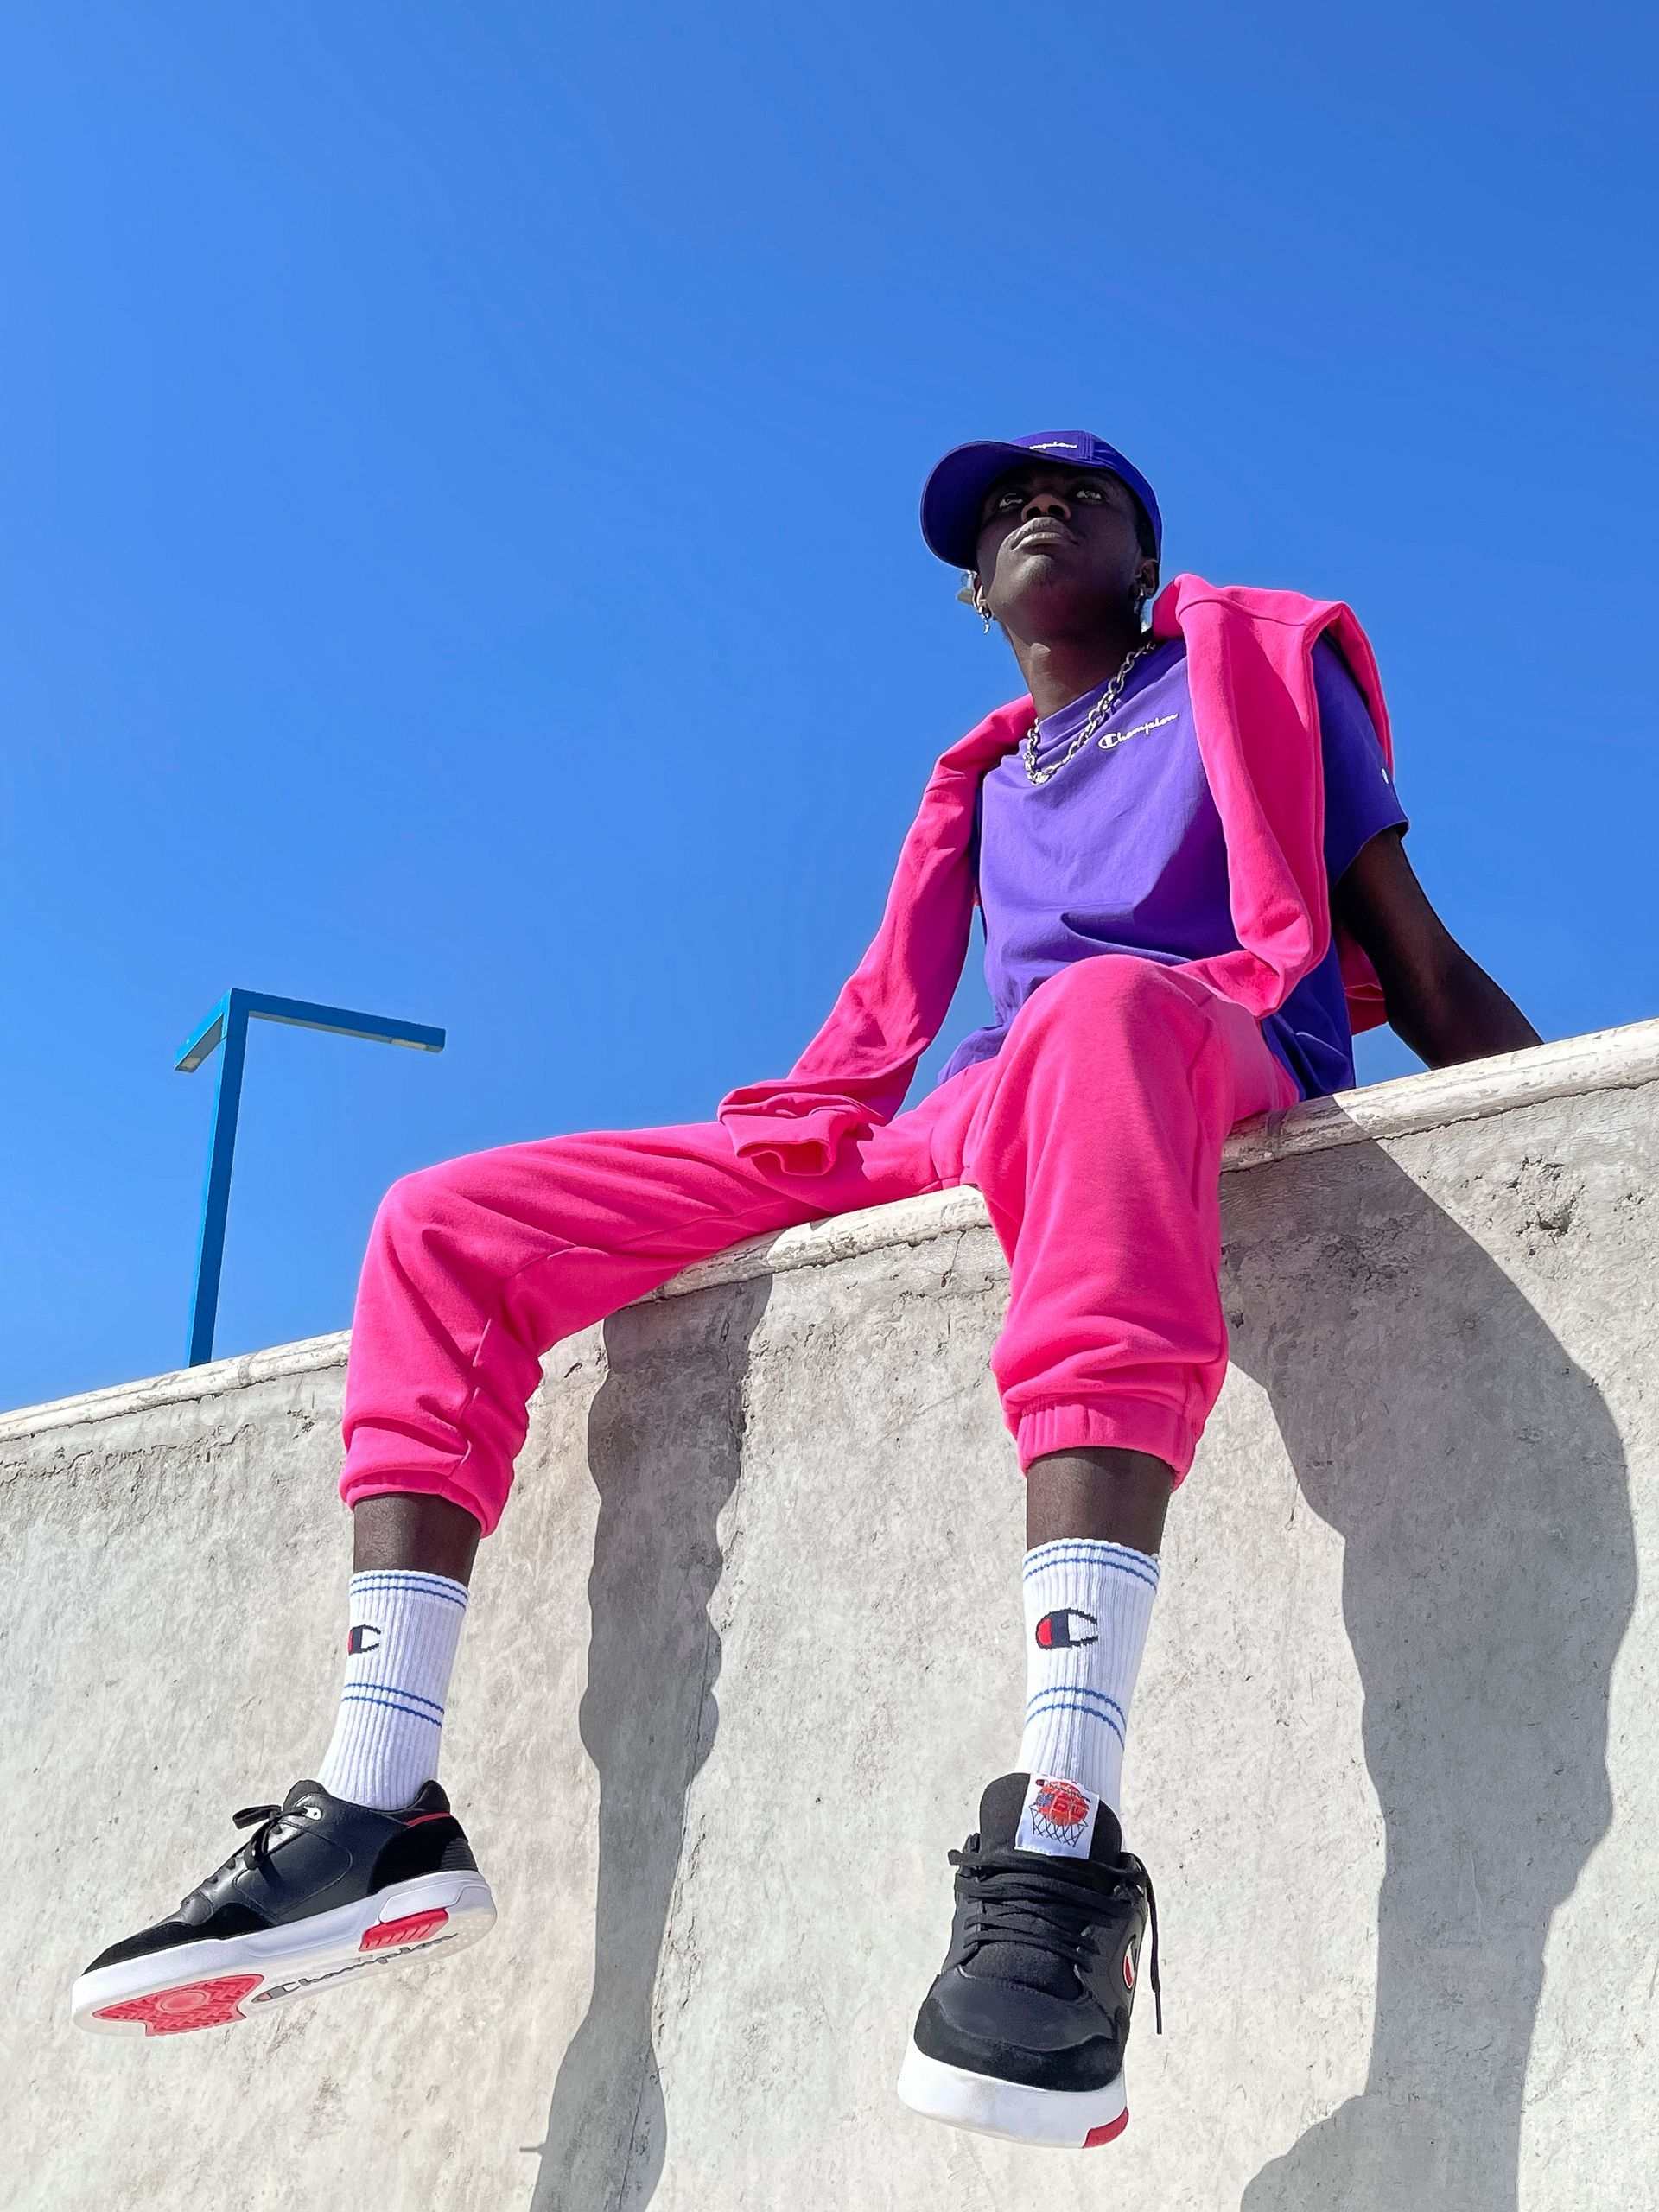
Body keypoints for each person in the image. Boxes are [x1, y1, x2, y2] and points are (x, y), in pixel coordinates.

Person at [73, 430, 1538, 2150]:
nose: (1031, 510)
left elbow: (1421, 964)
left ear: (1149, 550)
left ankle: (1060, 1833)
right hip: (970, 1105)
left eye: (1078, 492)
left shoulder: (1258, 668)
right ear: (972, 594)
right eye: (995, 514)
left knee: (1095, 1015)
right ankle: (379, 1792)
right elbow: (903, 1039)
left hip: (1187, 1038)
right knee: (439, 1214)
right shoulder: (986, 780)